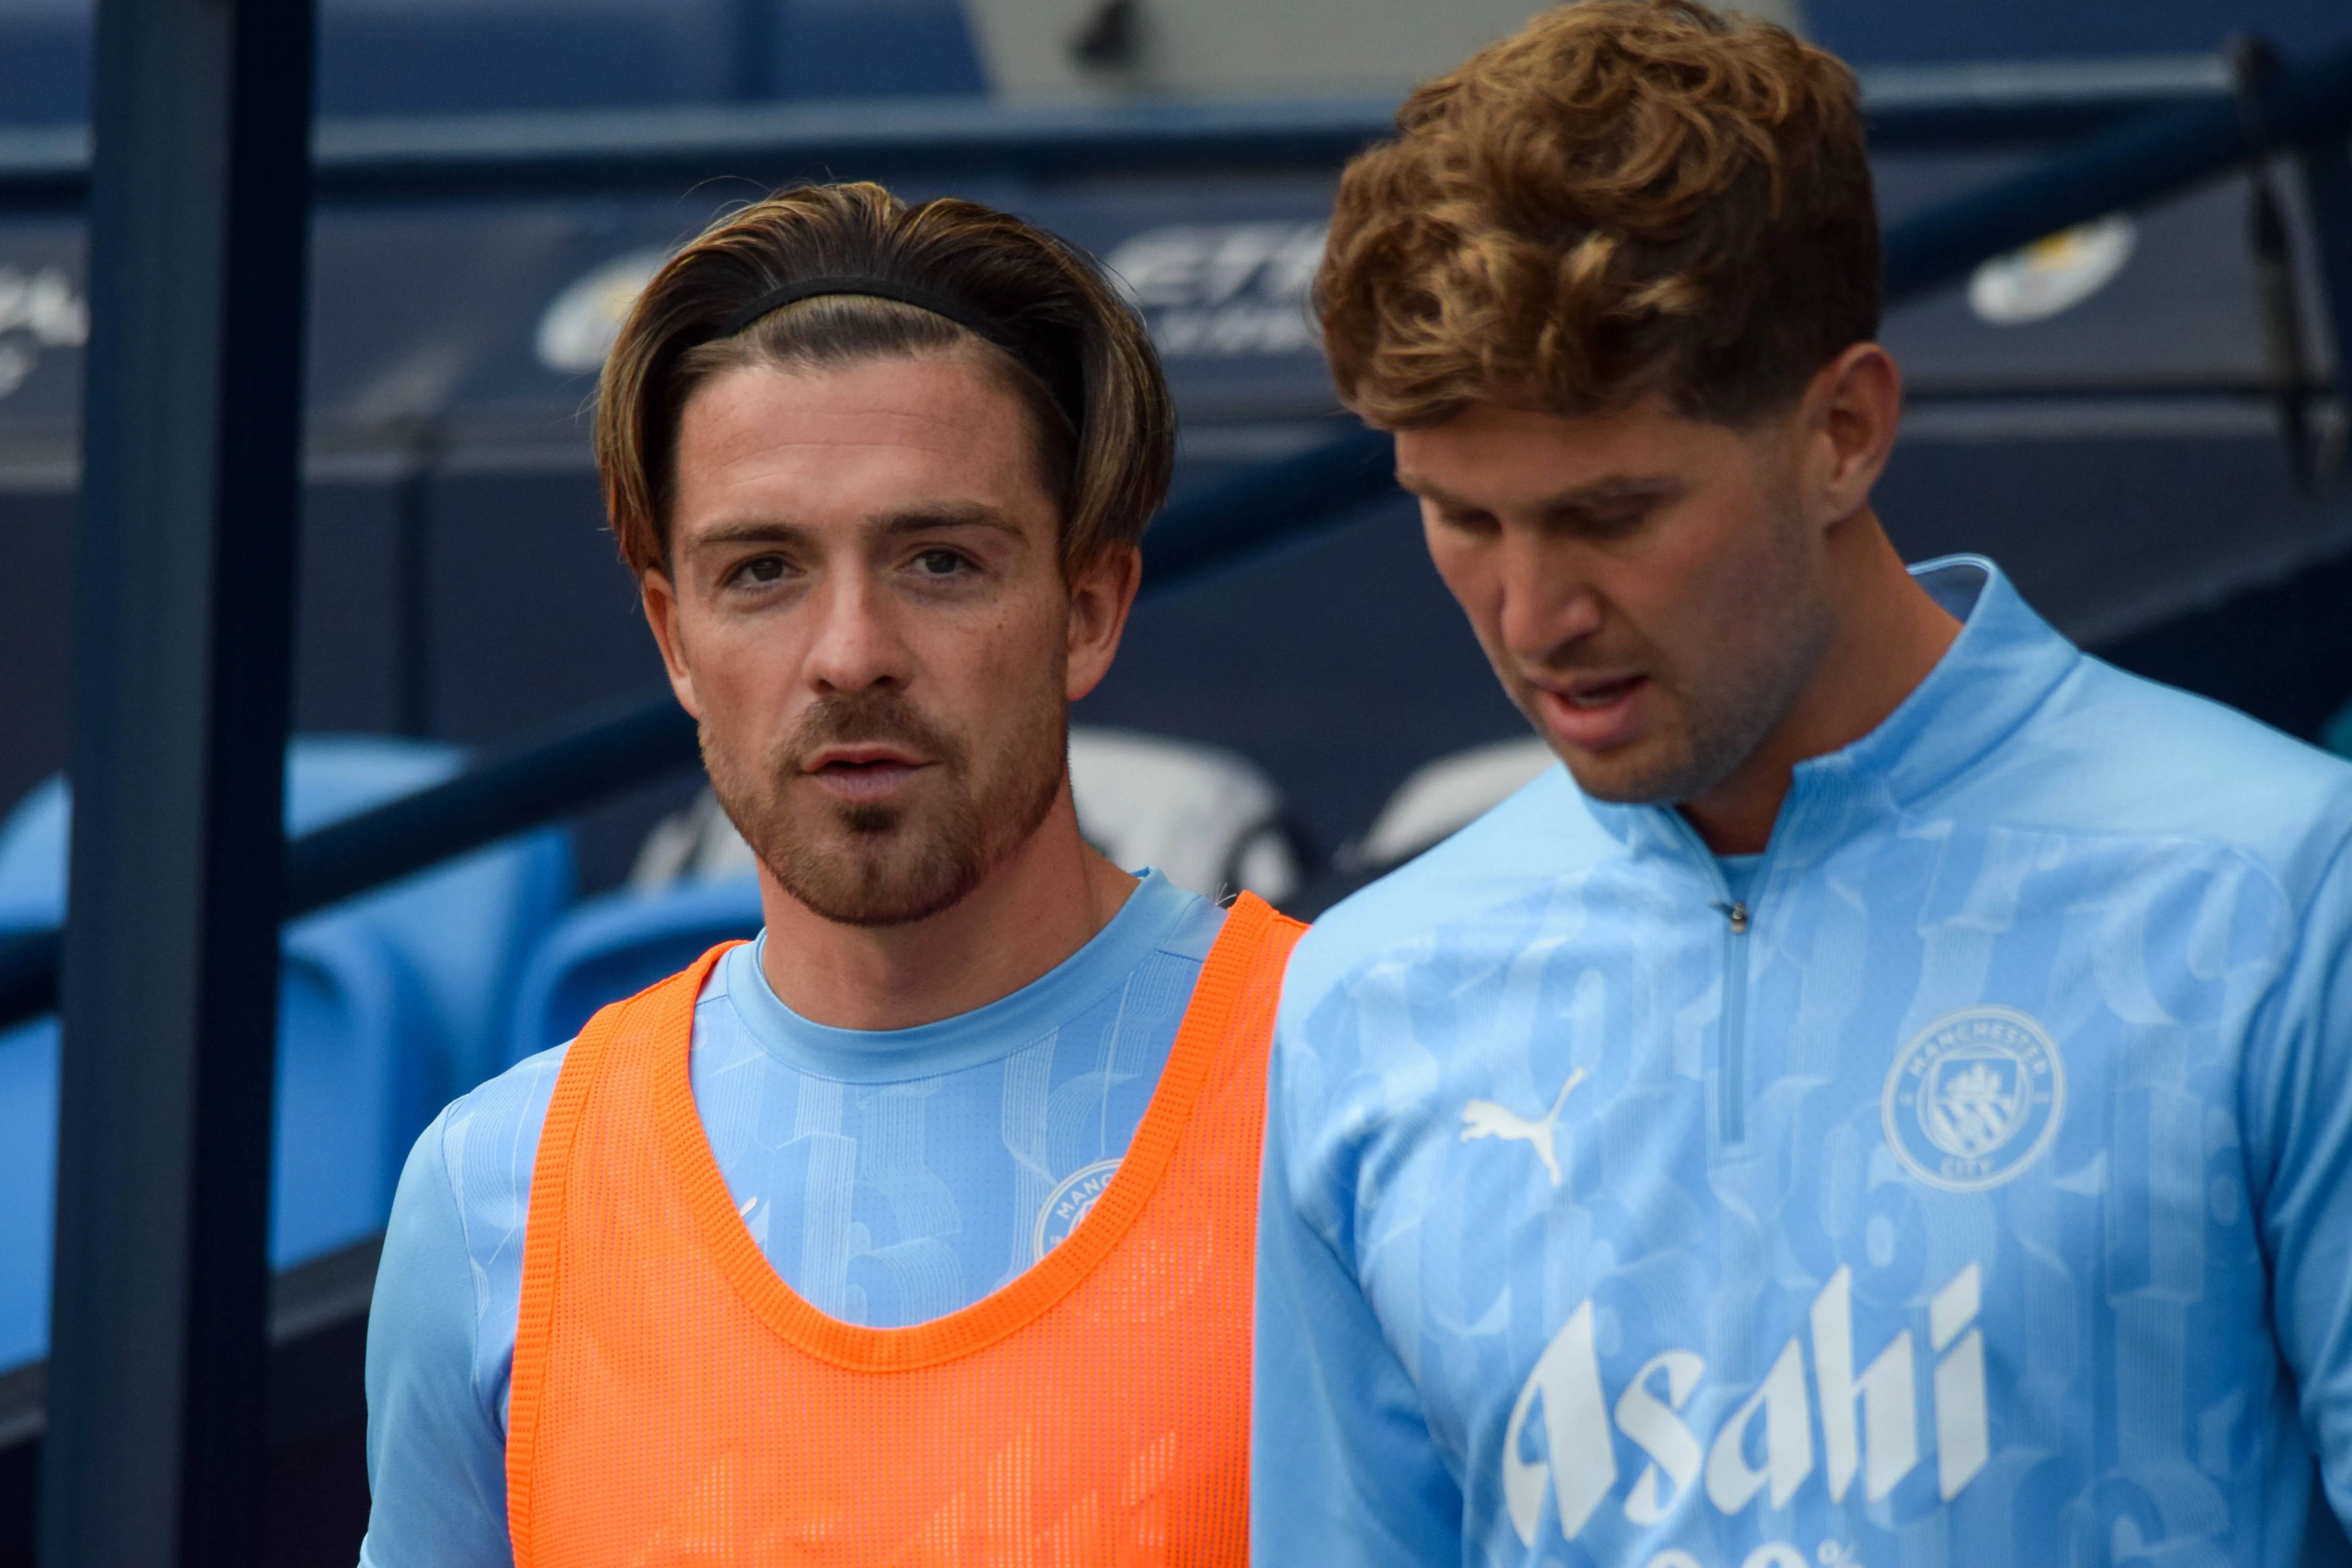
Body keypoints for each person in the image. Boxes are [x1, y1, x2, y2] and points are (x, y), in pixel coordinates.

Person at [1251, 5, 2352, 1565]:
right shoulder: (1367, 994)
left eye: (1611, 513)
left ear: (1842, 431)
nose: (1533, 614)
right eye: (1461, 517)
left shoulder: (2283, 895)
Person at [358, 182, 1301, 1567]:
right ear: (674, 637)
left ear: (1089, 608)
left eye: (939, 560)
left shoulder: (1343, 1080)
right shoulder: (501, 1189)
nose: (850, 651)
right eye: (763, 571)